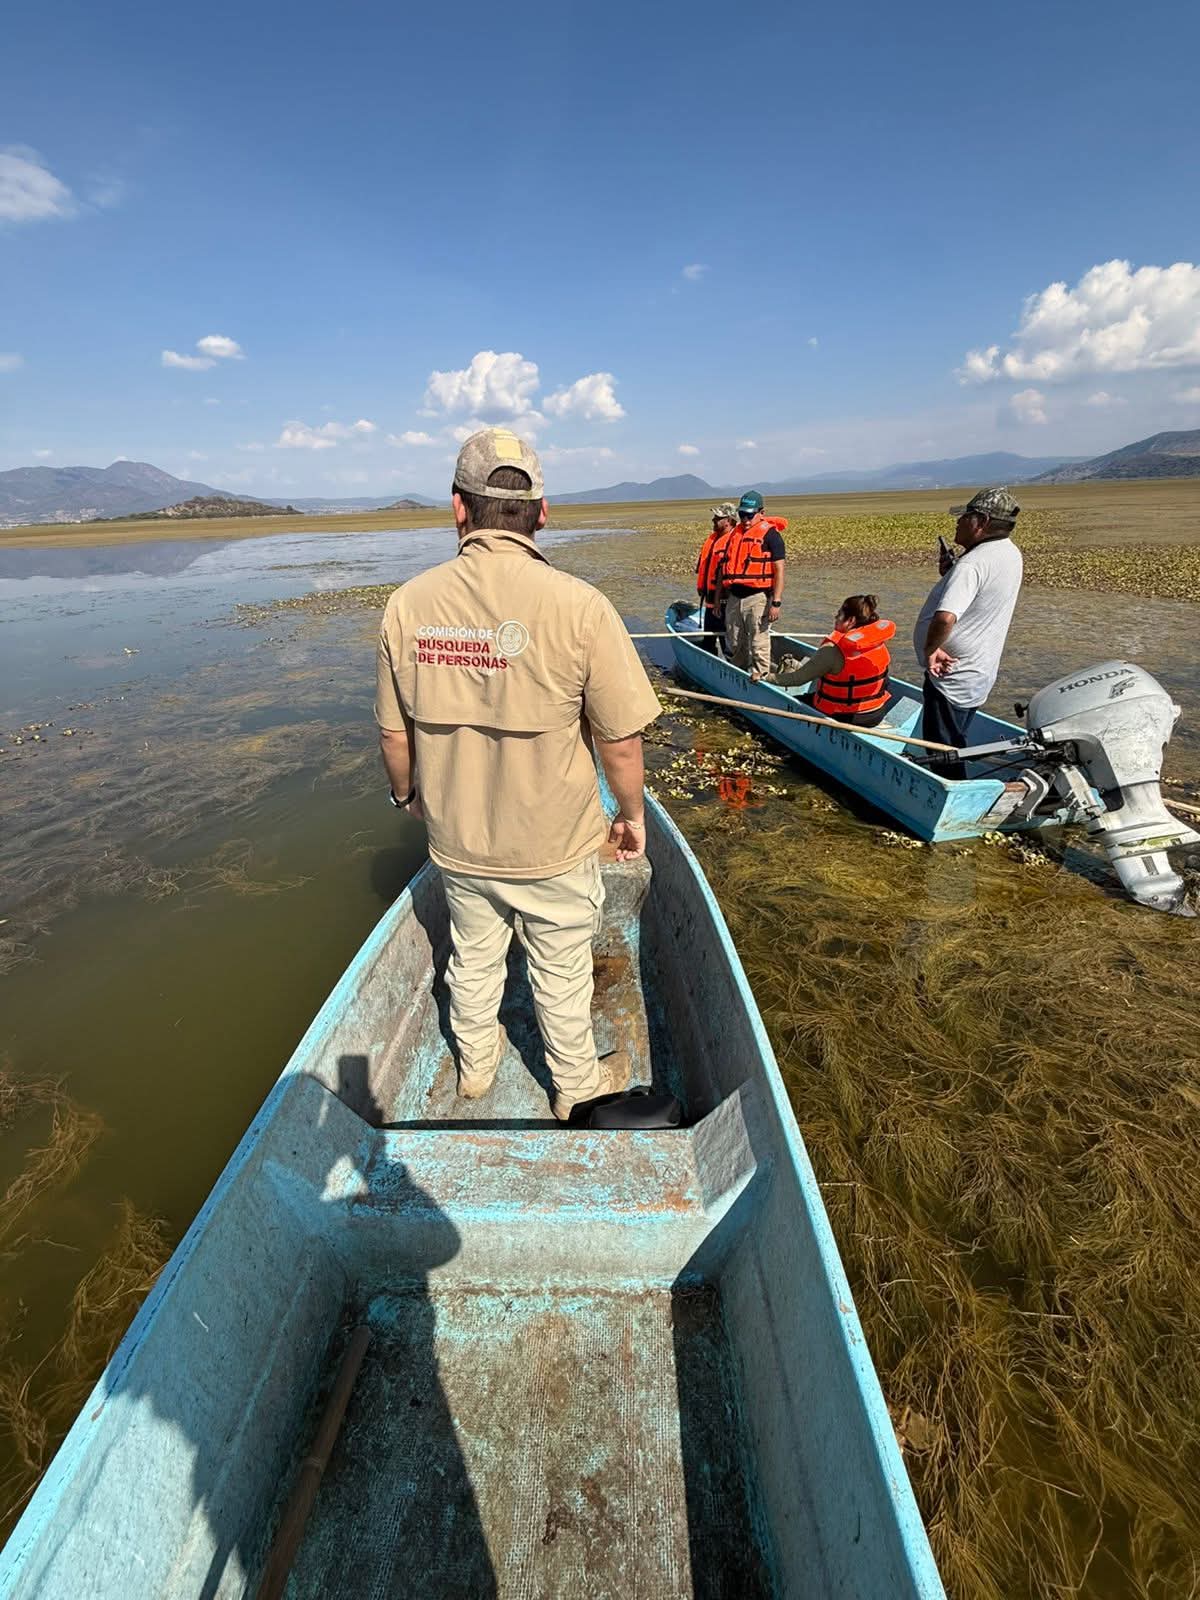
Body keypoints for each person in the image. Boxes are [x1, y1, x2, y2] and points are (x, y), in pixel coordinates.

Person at [374, 426, 661, 1122]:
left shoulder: (408, 605)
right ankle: (575, 1088)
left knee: (472, 958)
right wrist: (631, 815)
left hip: (460, 841)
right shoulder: (580, 606)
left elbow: (392, 732)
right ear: (541, 513)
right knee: (559, 973)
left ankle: (475, 1069)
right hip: (554, 843)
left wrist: (408, 795)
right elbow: (619, 741)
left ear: (458, 508)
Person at [912, 486, 1023, 777]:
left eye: (965, 518)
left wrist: (930, 650)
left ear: (982, 522)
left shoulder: (971, 565)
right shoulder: (1009, 554)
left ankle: (952, 794)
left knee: (942, 751)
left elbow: (946, 618)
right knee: (955, 737)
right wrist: (952, 572)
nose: (958, 523)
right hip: (979, 672)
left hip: (949, 676)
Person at [755, 595, 896, 727]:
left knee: (789, 704)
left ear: (851, 620)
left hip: (846, 716)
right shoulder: (876, 643)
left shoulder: (831, 650)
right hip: (876, 713)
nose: (835, 617)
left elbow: (796, 679)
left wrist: (765, 677)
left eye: (839, 614)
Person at [721, 490, 788, 675]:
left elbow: (779, 571)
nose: (746, 519)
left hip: (758, 598)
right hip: (735, 597)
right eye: (742, 514)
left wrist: (776, 602)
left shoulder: (771, 535)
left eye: (750, 515)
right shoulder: (736, 534)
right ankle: (738, 673)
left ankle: (761, 677)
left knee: (758, 643)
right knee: (734, 641)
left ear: (761, 513)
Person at [694, 502, 737, 653]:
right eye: (714, 517)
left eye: (718, 518)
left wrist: (720, 600)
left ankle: (731, 666)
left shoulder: (734, 541)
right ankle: (709, 654)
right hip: (711, 601)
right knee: (708, 641)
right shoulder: (714, 539)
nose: (713, 520)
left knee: (728, 642)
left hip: (725, 603)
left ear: (729, 520)